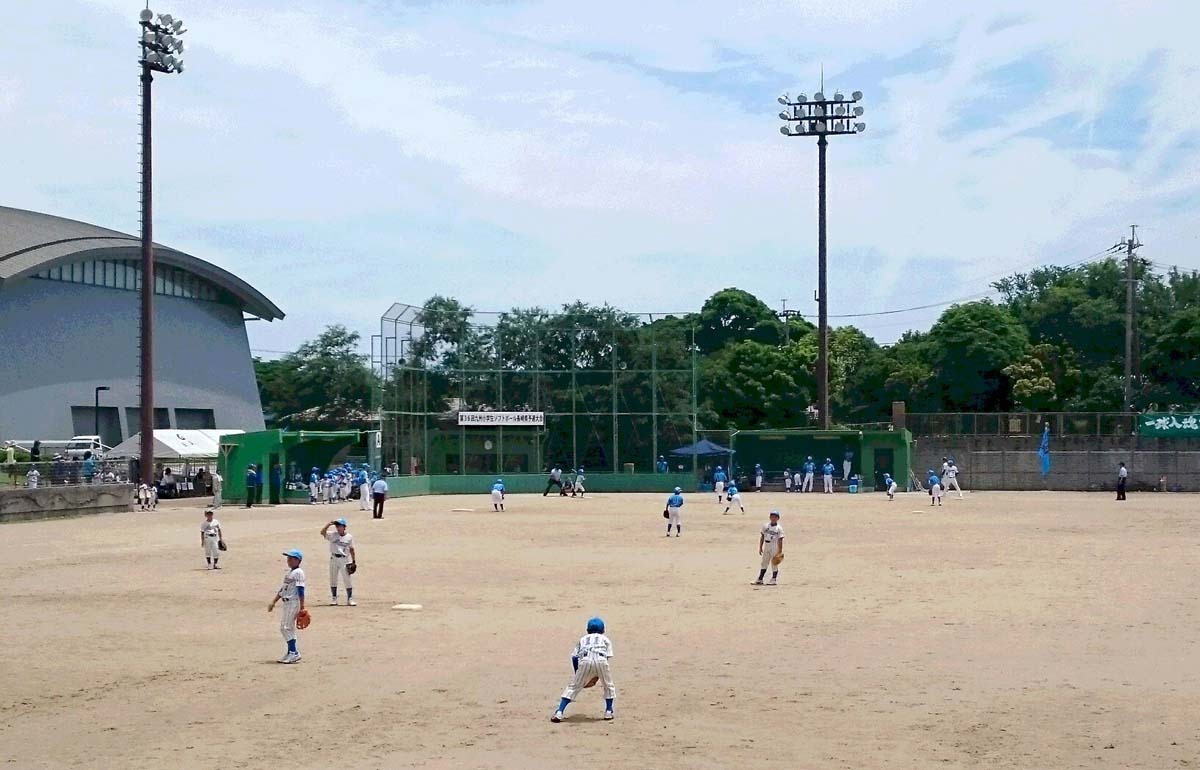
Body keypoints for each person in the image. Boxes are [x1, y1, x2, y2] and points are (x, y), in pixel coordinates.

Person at [551, 617, 615, 723]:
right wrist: (597, 676)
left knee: (573, 687)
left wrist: (578, 673)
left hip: (585, 660)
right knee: (608, 685)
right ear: (603, 630)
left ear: (587, 630)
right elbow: (606, 657)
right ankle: (608, 711)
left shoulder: (583, 639)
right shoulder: (605, 639)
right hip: (601, 660)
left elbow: (575, 657)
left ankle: (559, 712)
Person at [267, 549, 306, 664]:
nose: (288, 560)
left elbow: (301, 589)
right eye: (288, 558)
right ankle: (291, 652)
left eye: (291, 558)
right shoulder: (289, 573)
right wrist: (274, 601)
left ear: (297, 560)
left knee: (286, 628)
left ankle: (293, 653)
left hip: (294, 602)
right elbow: (282, 589)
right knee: (287, 628)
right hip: (287, 603)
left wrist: (302, 606)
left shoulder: (299, 572)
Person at [321, 517, 357, 606]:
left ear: (344, 527)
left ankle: (350, 598)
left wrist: (353, 561)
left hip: (344, 559)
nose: (338, 527)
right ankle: (334, 598)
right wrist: (329, 524)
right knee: (333, 578)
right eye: (337, 525)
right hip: (333, 558)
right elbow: (322, 532)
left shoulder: (349, 537)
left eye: (340, 525)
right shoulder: (333, 535)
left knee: (347, 579)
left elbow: (352, 549)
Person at [753, 510, 784, 586]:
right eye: (772, 516)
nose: (773, 518)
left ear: (778, 518)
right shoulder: (765, 526)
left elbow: (780, 540)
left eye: (775, 517)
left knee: (774, 563)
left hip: (774, 545)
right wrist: (760, 547)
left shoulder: (779, 528)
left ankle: (773, 579)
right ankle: (760, 579)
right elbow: (762, 536)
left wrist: (780, 551)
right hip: (766, 545)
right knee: (764, 562)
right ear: (770, 517)